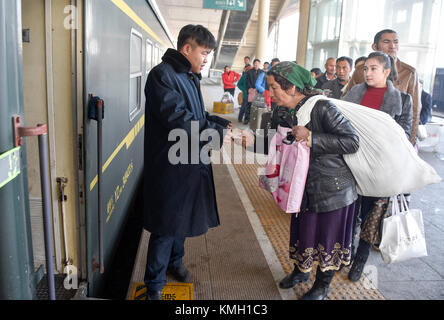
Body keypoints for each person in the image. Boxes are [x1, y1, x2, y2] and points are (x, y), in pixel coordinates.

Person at [235, 62, 360, 300]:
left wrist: (312, 137)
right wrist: (250, 142)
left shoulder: (322, 108)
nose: (269, 92)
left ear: (291, 87)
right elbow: (279, 144)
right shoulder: (282, 112)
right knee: (303, 232)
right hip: (301, 186)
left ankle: (323, 285)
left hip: (331, 189)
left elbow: (351, 141)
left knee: (327, 238)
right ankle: (301, 271)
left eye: (274, 87)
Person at [143, 24, 233, 300]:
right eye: (204, 53)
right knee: (166, 225)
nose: (206, 59)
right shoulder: (162, 76)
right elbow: (178, 120)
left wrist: (222, 126)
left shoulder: (189, 75)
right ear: (187, 49)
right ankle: (154, 285)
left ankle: (175, 263)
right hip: (169, 164)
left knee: (180, 219)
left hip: (189, 159)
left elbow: (198, 115)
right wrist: (216, 134)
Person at [342, 52, 412, 282]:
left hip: (380, 167)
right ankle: (346, 253)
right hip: (351, 163)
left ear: (386, 72)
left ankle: (360, 259)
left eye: (374, 68)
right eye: (366, 69)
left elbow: (404, 135)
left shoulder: (402, 100)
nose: (368, 73)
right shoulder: (354, 93)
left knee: (371, 215)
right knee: (349, 214)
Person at [342, 29, 421, 145]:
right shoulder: (360, 71)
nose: (392, 46)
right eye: (386, 41)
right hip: (359, 137)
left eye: (396, 42)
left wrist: (408, 145)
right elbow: (346, 103)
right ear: (375, 46)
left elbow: (414, 112)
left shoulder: (409, 73)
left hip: (391, 141)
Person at [244, 58, 264, 124]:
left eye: (257, 64)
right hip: (251, 91)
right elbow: (247, 81)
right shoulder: (249, 71)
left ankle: (255, 120)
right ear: (253, 64)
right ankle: (247, 119)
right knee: (249, 105)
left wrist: (260, 89)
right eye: (255, 64)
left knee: (257, 106)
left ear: (259, 64)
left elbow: (263, 82)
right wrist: (250, 88)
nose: (256, 65)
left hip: (259, 91)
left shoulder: (262, 72)